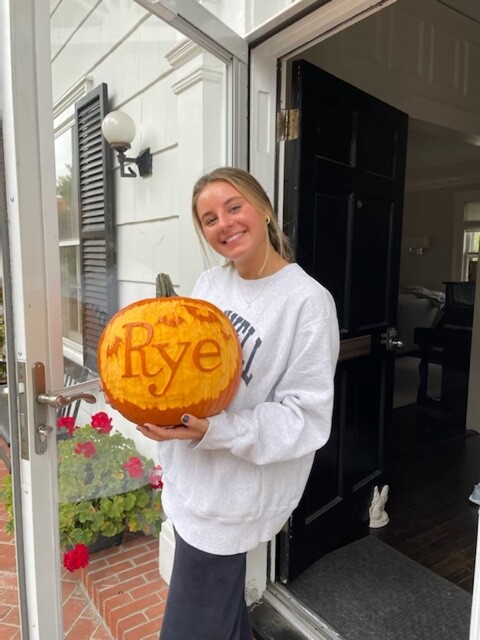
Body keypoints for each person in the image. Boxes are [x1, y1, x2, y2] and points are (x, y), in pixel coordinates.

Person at [136, 167, 340, 640]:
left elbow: (304, 418)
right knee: (223, 619)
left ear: (264, 209)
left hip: (234, 496)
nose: (223, 224)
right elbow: (187, 371)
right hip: (192, 482)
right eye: (209, 218)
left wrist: (215, 431)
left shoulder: (306, 302)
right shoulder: (210, 284)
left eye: (233, 207)